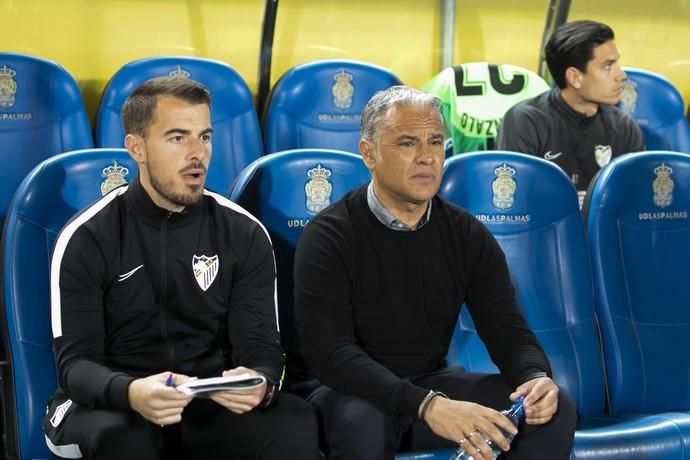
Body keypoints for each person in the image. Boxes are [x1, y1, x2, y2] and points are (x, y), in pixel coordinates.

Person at [293, 86, 577, 460]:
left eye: (436, 142)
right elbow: (331, 354)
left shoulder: (466, 233)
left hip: (427, 385)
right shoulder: (329, 235)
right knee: (364, 421)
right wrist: (430, 406)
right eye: (408, 143)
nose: (427, 157)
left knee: (554, 412)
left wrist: (535, 377)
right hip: (347, 392)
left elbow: (509, 333)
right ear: (369, 154)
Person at [43, 76, 318, 460]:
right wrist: (131, 392)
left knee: (294, 420)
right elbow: (74, 367)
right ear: (136, 148)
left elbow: (261, 348)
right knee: (125, 441)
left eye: (204, 137)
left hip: (200, 400)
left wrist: (259, 380)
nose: (197, 153)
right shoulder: (88, 236)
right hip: (109, 404)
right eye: (178, 138)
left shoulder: (244, 232)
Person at [497, 20, 644, 200]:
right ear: (574, 77)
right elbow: (518, 204)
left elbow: (634, 203)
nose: (621, 75)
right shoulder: (526, 122)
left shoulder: (624, 127)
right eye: (608, 66)